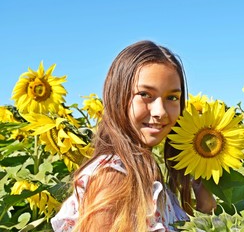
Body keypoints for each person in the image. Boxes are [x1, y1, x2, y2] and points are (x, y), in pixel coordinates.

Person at [51, 40, 216, 231]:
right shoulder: (114, 178)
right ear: (118, 96)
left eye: (172, 98)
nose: (160, 111)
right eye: (145, 94)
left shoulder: (144, 170)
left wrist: (204, 202)